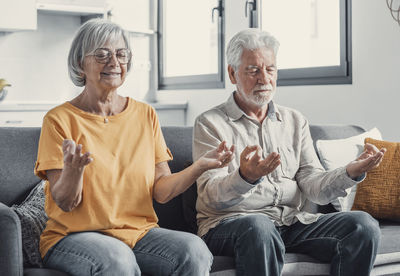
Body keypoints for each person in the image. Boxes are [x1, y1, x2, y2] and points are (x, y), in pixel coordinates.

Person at [34, 18, 234, 276]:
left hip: (138, 234)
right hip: (73, 237)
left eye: (121, 54)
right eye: (102, 54)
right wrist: (74, 172)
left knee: (194, 250)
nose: (114, 62)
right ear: (80, 63)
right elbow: (65, 203)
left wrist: (200, 166)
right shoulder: (59, 120)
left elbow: (161, 192)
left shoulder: (145, 114)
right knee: (117, 260)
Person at [193, 28, 386, 276]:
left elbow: (314, 187)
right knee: (259, 226)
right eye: (253, 70)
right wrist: (244, 177)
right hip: (228, 224)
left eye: (270, 69)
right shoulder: (210, 124)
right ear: (232, 73)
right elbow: (210, 195)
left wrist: (350, 172)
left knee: (363, 225)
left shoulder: (295, 121)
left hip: (289, 222)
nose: (264, 78)